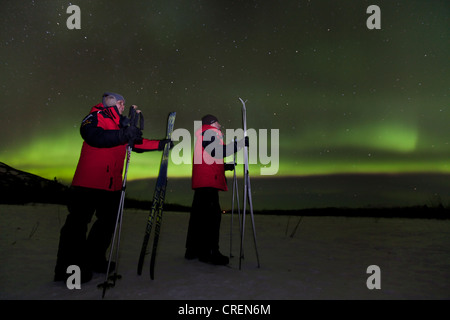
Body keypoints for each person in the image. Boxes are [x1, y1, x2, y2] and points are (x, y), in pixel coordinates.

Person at [54, 92, 170, 283]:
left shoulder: (121, 125)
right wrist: (123, 133)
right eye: (119, 102)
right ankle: (69, 270)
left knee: (107, 225)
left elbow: (137, 144)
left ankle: (94, 260)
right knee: (77, 225)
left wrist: (160, 144)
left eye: (124, 103)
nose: (123, 105)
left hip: (112, 185)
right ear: (108, 101)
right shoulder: (96, 115)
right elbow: (93, 136)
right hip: (88, 183)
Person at [185, 114, 248, 265]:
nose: (220, 125)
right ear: (212, 123)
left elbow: (210, 158)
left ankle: (193, 250)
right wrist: (238, 145)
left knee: (199, 217)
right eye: (218, 122)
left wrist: (225, 166)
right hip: (208, 183)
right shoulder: (209, 132)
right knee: (212, 217)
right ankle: (210, 252)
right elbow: (216, 152)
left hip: (203, 182)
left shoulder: (205, 134)